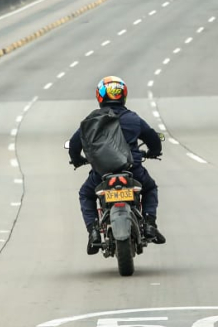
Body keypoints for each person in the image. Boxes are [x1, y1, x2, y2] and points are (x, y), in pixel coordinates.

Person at [68, 76, 165, 255]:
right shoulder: (133, 119)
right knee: (150, 188)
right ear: (123, 95)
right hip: (132, 171)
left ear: (100, 97)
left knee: (86, 194)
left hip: (101, 174)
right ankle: (150, 224)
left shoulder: (92, 121)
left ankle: (93, 232)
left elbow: (75, 145)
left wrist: (77, 159)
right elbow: (153, 139)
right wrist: (154, 152)